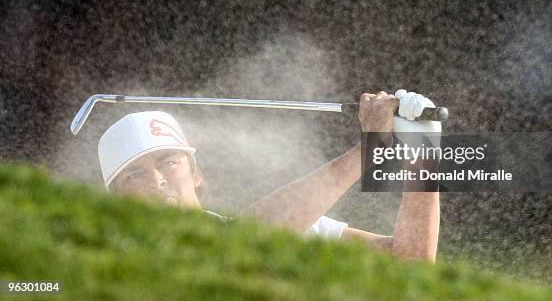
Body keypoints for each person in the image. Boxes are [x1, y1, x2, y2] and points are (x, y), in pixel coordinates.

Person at [98, 90, 441, 261]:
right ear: (113, 197)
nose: (156, 180)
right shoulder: (110, 256)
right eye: (135, 174)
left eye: (168, 161)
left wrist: (423, 152)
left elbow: (408, 261)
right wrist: (367, 150)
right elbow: (233, 245)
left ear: (195, 173)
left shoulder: (289, 223)